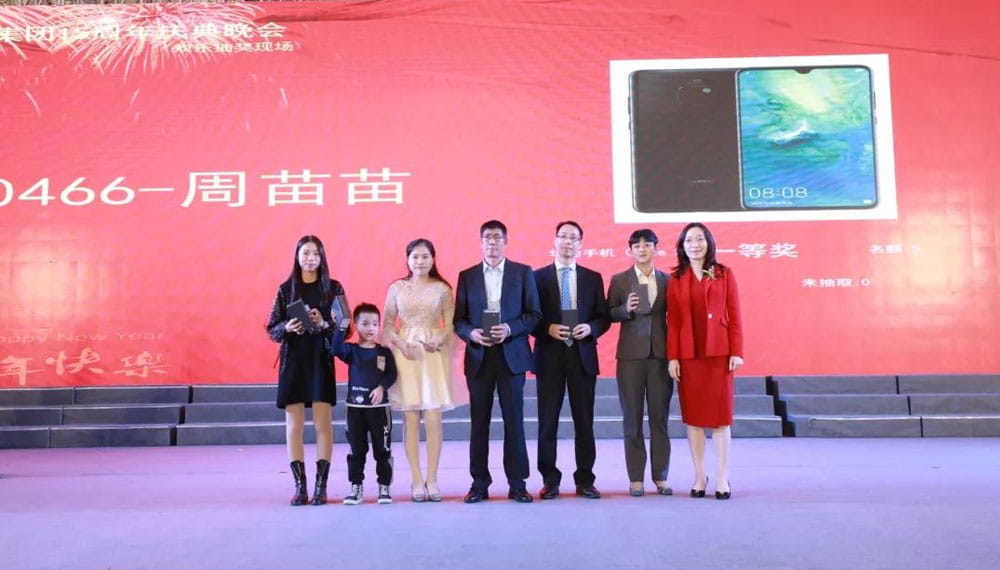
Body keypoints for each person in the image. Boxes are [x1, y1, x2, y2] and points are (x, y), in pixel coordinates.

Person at [453, 220, 541, 504]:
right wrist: (471, 333)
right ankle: (479, 484)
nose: (492, 242)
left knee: (514, 422)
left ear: (506, 241)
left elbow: (534, 315)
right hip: (479, 358)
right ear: (481, 242)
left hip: (511, 357)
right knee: (479, 423)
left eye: (497, 237)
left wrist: (510, 329)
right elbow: (459, 320)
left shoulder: (522, 272)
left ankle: (518, 484)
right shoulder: (467, 276)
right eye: (487, 237)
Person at [531, 221, 610, 500]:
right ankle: (549, 480)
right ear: (555, 241)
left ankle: (585, 480)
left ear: (581, 244)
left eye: (573, 237)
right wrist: (547, 328)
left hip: (582, 357)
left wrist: (591, 328)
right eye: (563, 236)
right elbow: (530, 316)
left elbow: (603, 317)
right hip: (549, 357)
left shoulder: (592, 278)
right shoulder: (537, 277)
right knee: (547, 423)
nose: (567, 241)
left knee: (584, 422)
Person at [667, 223, 744, 500]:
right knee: (694, 420)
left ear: (709, 243)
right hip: (690, 356)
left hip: (719, 354)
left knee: (721, 420)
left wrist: (736, 350)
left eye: (700, 239)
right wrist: (673, 357)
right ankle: (700, 475)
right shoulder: (676, 278)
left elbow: (734, 313)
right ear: (682, 246)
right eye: (689, 240)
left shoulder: (724, 273)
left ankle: (722, 477)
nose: (695, 245)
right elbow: (673, 322)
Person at [265, 235, 343, 506]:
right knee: (294, 425)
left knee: (323, 424)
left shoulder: (333, 288)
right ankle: (300, 486)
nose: (310, 259)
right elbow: (271, 329)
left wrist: (323, 324)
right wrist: (286, 327)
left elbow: (344, 328)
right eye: (305, 253)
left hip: (321, 359)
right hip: (294, 361)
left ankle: (321, 486)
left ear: (322, 258)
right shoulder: (285, 289)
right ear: (297, 256)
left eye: (315, 254)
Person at [382, 238, 456, 502]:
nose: (420, 261)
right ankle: (415, 478)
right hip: (406, 355)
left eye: (425, 256)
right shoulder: (396, 288)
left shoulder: (442, 289)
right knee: (411, 418)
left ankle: (432, 479)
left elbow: (450, 324)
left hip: (433, 355)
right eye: (415, 256)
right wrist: (400, 343)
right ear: (407, 259)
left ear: (433, 259)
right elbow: (387, 324)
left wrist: (439, 339)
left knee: (434, 418)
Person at [607, 228, 673, 497]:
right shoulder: (620, 280)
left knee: (660, 419)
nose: (642, 249)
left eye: (647, 245)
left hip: (660, 356)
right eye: (637, 245)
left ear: (656, 248)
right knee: (632, 419)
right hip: (630, 357)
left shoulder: (668, 280)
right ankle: (635, 478)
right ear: (630, 250)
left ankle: (661, 476)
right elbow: (608, 313)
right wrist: (625, 310)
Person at [330, 303, 398, 505]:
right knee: (356, 451)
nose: (370, 328)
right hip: (355, 409)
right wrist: (341, 325)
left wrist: (382, 387)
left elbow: (392, 374)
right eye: (365, 324)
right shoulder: (351, 350)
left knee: (382, 450)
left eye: (375, 324)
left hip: (379, 410)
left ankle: (384, 487)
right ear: (356, 325)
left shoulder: (384, 352)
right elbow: (335, 348)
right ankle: (356, 487)